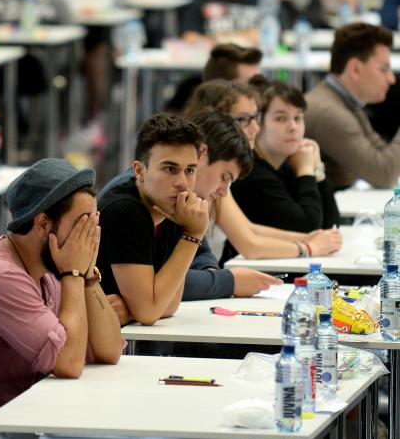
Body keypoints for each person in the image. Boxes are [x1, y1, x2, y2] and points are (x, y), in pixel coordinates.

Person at [0, 158, 123, 415]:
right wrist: (74, 273)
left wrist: (86, 274)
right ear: (42, 224)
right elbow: (69, 363)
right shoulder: (0, 274)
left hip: (16, 417)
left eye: (93, 222)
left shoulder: (48, 266)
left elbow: (109, 351)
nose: (91, 234)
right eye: (82, 223)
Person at [97, 112, 280, 325]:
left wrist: (133, 309)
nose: (182, 182)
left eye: (190, 170)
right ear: (140, 170)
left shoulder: (174, 206)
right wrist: (192, 234)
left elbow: (170, 304)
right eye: (170, 169)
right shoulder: (125, 209)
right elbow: (149, 313)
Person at [182, 87, 342, 264]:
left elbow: (249, 229)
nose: (255, 128)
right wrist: (308, 247)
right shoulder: (225, 178)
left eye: (255, 118)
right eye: (243, 119)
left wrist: (307, 238)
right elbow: (249, 243)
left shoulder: (216, 182)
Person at [231, 81, 340, 232]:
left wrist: (318, 170)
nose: (293, 127)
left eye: (298, 118)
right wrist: (306, 170)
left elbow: (331, 224)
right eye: (281, 119)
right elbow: (308, 227)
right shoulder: (252, 174)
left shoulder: (286, 164)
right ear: (259, 123)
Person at [305, 22, 400, 189]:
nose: (391, 79)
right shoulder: (329, 113)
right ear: (355, 68)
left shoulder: (344, 101)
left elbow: (383, 156)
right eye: (384, 69)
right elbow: (384, 174)